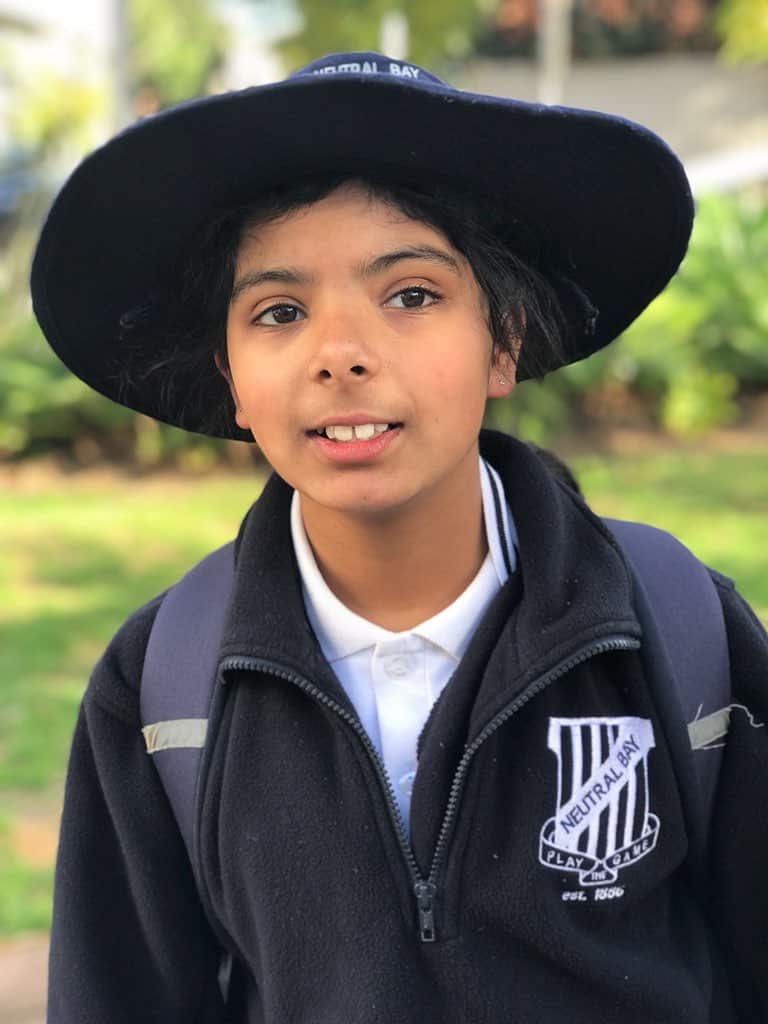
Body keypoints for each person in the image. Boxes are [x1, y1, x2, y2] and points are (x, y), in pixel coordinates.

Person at [32, 53, 768, 1023]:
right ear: (232, 378)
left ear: (502, 340)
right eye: (280, 312)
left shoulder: (677, 630)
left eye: (411, 294)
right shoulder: (162, 690)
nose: (342, 352)